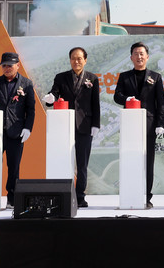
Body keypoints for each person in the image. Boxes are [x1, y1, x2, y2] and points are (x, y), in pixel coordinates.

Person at [44, 47, 100, 208]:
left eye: (79, 58)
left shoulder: (92, 79)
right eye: (73, 58)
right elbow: (53, 94)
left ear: (85, 60)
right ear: (70, 60)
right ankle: (63, 195)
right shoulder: (61, 78)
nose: (76, 61)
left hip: (85, 126)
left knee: (82, 164)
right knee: (63, 161)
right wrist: (50, 99)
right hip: (64, 127)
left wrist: (96, 124)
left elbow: (95, 104)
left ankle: (80, 196)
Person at [113, 42, 164, 209]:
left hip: (149, 125)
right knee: (131, 160)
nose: (139, 57)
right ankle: (131, 194)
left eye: (142, 53)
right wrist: (126, 99)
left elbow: (160, 103)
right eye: (136, 54)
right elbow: (117, 96)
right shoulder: (124, 76)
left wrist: (160, 124)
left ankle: (147, 197)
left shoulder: (156, 77)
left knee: (148, 162)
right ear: (131, 57)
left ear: (147, 56)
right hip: (130, 125)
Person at [0, 52, 36, 209]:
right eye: (4, 65)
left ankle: (12, 198)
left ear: (17, 66)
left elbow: (31, 109)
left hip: (16, 132)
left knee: (13, 167)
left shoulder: (26, 84)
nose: (7, 68)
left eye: (10, 65)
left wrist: (28, 128)